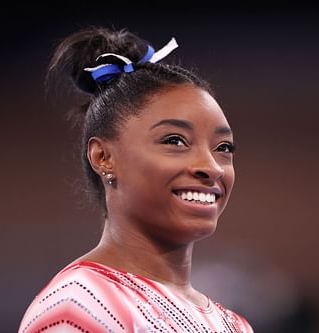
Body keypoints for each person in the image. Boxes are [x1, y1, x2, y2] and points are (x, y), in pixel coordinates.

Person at [18, 26, 254, 333]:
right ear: (104, 157)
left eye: (223, 148)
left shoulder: (233, 325)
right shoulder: (78, 307)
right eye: (175, 141)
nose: (211, 168)